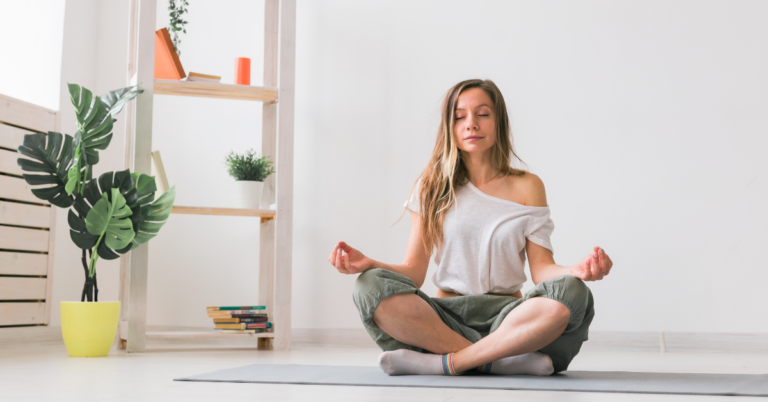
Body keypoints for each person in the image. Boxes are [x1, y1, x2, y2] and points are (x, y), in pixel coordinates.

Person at [327, 79, 613, 377]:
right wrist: (368, 264)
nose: (471, 124)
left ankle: (449, 363)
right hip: (443, 318)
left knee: (573, 292)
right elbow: (414, 271)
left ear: (499, 121)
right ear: (448, 127)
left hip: (510, 318)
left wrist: (577, 270)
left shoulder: (529, 186)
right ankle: (500, 359)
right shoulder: (431, 186)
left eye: (483, 114)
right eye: (459, 116)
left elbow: (542, 271)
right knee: (369, 285)